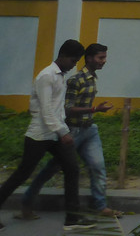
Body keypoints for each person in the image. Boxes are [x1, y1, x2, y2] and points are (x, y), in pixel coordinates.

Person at [0, 39, 96, 231]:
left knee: (72, 169)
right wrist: (63, 132)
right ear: (64, 56)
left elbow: (57, 109)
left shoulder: (60, 76)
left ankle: (72, 220)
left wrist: (62, 131)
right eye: (73, 61)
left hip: (55, 134)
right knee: (21, 174)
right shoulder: (47, 76)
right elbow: (46, 110)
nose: (73, 66)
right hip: (39, 135)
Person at [18, 43, 118, 219]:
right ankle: (27, 201)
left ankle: (100, 205)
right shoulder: (75, 80)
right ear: (89, 59)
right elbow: (68, 108)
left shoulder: (92, 78)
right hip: (72, 130)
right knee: (52, 169)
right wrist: (94, 110)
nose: (104, 61)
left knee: (98, 167)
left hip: (89, 129)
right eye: (100, 57)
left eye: (104, 57)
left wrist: (92, 113)